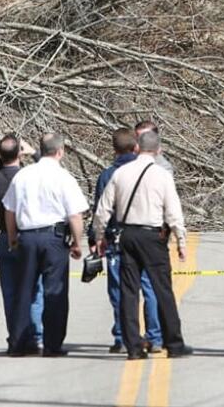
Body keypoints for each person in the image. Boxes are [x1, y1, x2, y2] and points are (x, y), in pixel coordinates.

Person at [93, 127, 193, 360]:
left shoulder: (121, 173)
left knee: (129, 290)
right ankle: (173, 343)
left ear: (138, 148)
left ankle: (133, 347)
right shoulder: (162, 175)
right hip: (153, 235)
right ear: (158, 150)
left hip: (127, 234)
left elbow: (103, 209)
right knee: (162, 288)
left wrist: (99, 237)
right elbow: (173, 211)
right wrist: (180, 239)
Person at [1, 133, 88, 357]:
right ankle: (52, 345)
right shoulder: (63, 177)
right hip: (54, 238)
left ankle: (18, 343)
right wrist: (78, 243)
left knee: (24, 291)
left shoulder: (23, 175)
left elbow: (9, 210)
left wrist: (12, 237)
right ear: (60, 152)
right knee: (54, 292)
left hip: (27, 237)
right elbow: (75, 215)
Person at [87, 128, 164, 353]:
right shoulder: (151, 171)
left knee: (120, 289)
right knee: (148, 287)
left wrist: (96, 237)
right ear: (136, 147)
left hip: (117, 239)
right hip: (148, 236)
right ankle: (155, 336)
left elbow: (101, 210)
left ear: (114, 149)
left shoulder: (109, 175)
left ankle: (122, 335)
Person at [0, 135, 43, 350]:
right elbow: (50, 172)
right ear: (19, 153)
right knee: (34, 291)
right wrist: (34, 153)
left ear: (0, 156)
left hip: (5, 238)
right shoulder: (29, 177)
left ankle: (16, 338)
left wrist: (7, 155)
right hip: (28, 235)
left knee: (10, 293)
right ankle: (35, 336)